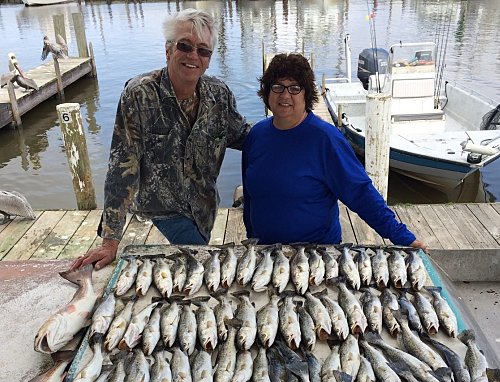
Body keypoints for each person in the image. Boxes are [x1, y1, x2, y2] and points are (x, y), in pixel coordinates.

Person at [71, 8, 250, 271]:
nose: (193, 56)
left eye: (203, 50)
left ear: (209, 60)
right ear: (168, 50)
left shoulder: (219, 96)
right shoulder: (138, 95)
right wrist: (110, 241)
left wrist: (290, 130)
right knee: (201, 271)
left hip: (204, 211)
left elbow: (245, 137)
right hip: (160, 211)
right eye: (185, 46)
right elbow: (123, 167)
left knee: (198, 269)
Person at [242, 53, 428, 253]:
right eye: (277, 87)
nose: (285, 95)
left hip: (317, 254)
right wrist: (252, 239)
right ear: (267, 92)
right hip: (265, 253)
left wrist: (402, 237)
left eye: (295, 88)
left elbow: (361, 193)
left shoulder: (326, 140)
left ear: (307, 95)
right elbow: (250, 196)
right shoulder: (257, 135)